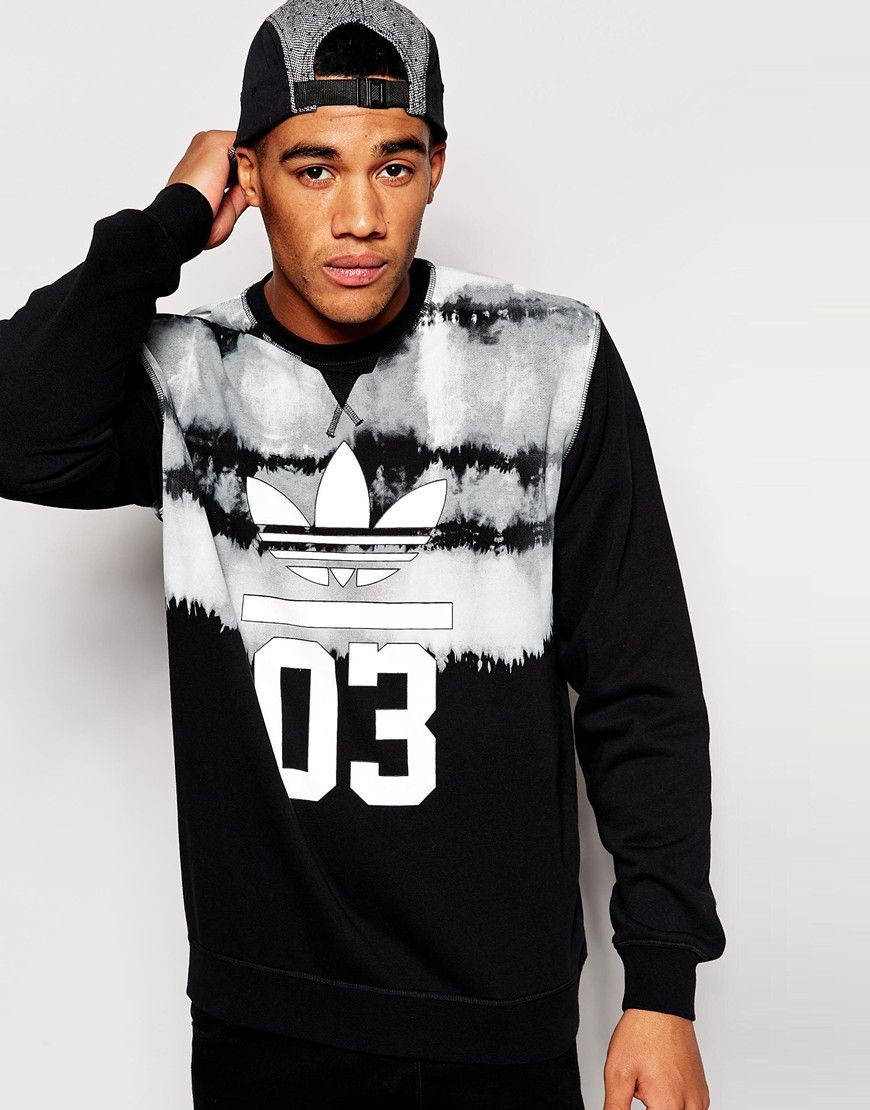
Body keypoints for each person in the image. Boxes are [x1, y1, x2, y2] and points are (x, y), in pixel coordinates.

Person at [0, 1, 726, 1106]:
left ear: (436, 169)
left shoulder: (546, 358)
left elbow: (640, 680)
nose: (358, 217)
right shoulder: (188, 378)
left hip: (497, 1010)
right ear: (250, 178)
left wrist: (661, 986)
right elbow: (18, 426)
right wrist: (165, 224)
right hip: (265, 1011)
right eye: (313, 169)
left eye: (393, 167)